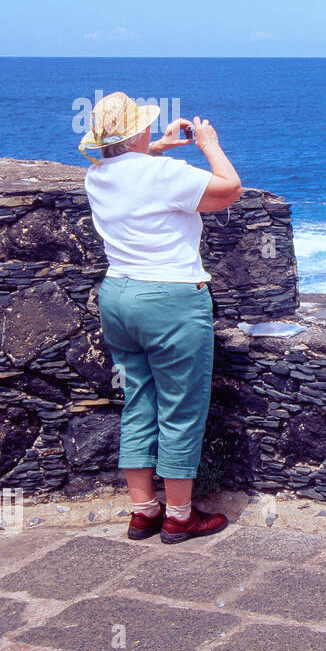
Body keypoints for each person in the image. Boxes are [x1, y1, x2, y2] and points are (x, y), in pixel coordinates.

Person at [79, 92, 242, 544]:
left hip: (118, 296)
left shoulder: (97, 176)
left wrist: (159, 147)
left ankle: (143, 511)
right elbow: (229, 189)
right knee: (180, 407)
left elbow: (127, 166)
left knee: (139, 400)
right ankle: (179, 516)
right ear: (138, 132)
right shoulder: (163, 175)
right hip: (169, 299)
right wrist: (208, 144)